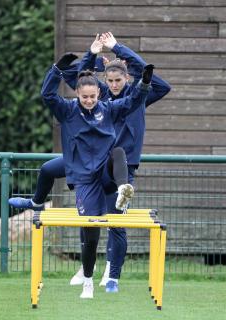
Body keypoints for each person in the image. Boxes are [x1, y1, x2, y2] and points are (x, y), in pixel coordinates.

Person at [9, 33, 171, 293]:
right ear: (103, 82)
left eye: (119, 80)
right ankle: (37, 203)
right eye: (110, 80)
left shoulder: (129, 101)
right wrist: (90, 57)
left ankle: (112, 275)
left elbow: (147, 88)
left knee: (115, 219)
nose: (114, 85)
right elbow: (78, 81)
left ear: (127, 77)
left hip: (115, 167)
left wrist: (124, 56)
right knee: (50, 170)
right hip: (83, 161)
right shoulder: (96, 98)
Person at [39, 58, 154, 299]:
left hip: (105, 171)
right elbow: (48, 96)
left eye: (93, 96)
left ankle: (124, 189)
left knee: (118, 152)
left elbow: (133, 101)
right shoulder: (68, 111)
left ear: (98, 94)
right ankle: (88, 281)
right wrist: (57, 71)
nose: (90, 101)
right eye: (85, 97)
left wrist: (144, 82)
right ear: (78, 95)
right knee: (90, 234)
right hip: (84, 180)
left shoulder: (108, 109)